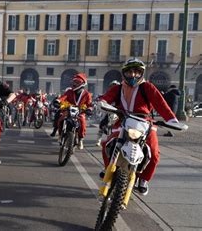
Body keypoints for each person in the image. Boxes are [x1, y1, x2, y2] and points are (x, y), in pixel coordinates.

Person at [99, 58, 180, 195]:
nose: (133, 75)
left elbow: (160, 104)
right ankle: (108, 168)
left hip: (145, 123)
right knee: (107, 144)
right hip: (123, 121)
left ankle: (144, 179)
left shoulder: (148, 87)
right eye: (130, 72)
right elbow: (106, 98)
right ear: (124, 73)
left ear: (141, 73)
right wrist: (103, 103)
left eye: (137, 72)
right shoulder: (118, 88)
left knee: (153, 154)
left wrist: (172, 120)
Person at [52, 73, 93, 150]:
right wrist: (57, 101)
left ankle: (80, 139)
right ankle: (60, 135)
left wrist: (89, 110)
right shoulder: (69, 91)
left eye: (77, 82)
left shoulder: (87, 94)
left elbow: (90, 104)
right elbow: (63, 98)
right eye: (74, 82)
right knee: (60, 120)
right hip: (68, 110)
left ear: (83, 84)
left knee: (82, 122)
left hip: (80, 112)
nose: (74, 84)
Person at [96, 80, 120, 147]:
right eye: (112, 86)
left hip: (119, 112)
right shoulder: (108, 93)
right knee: (102, 123)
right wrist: (101, 99)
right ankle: (98, 140)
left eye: (115, 86)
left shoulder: (122, 93)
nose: (114, 87)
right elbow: (103, 98)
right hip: (109, 111)